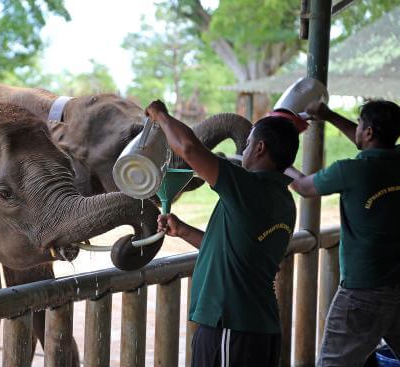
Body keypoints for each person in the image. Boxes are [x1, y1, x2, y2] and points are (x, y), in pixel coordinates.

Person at [145, 100, 300, 367]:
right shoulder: (284, 200)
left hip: (232, 327)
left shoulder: (249, 188)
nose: (246, 149)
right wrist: (182, 231)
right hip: (260, 328)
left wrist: (161, 115)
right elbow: (236, 251)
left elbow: (190, 149)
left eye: (249, 143)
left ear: (260, 148)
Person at [286, 100, 400, 366]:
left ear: (369, 131)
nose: (357, 129)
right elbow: (370, 143)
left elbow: (303, 187)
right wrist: (329, 116)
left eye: (360, 124)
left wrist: (277, 159)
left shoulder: (349, 170)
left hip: (362, 292)